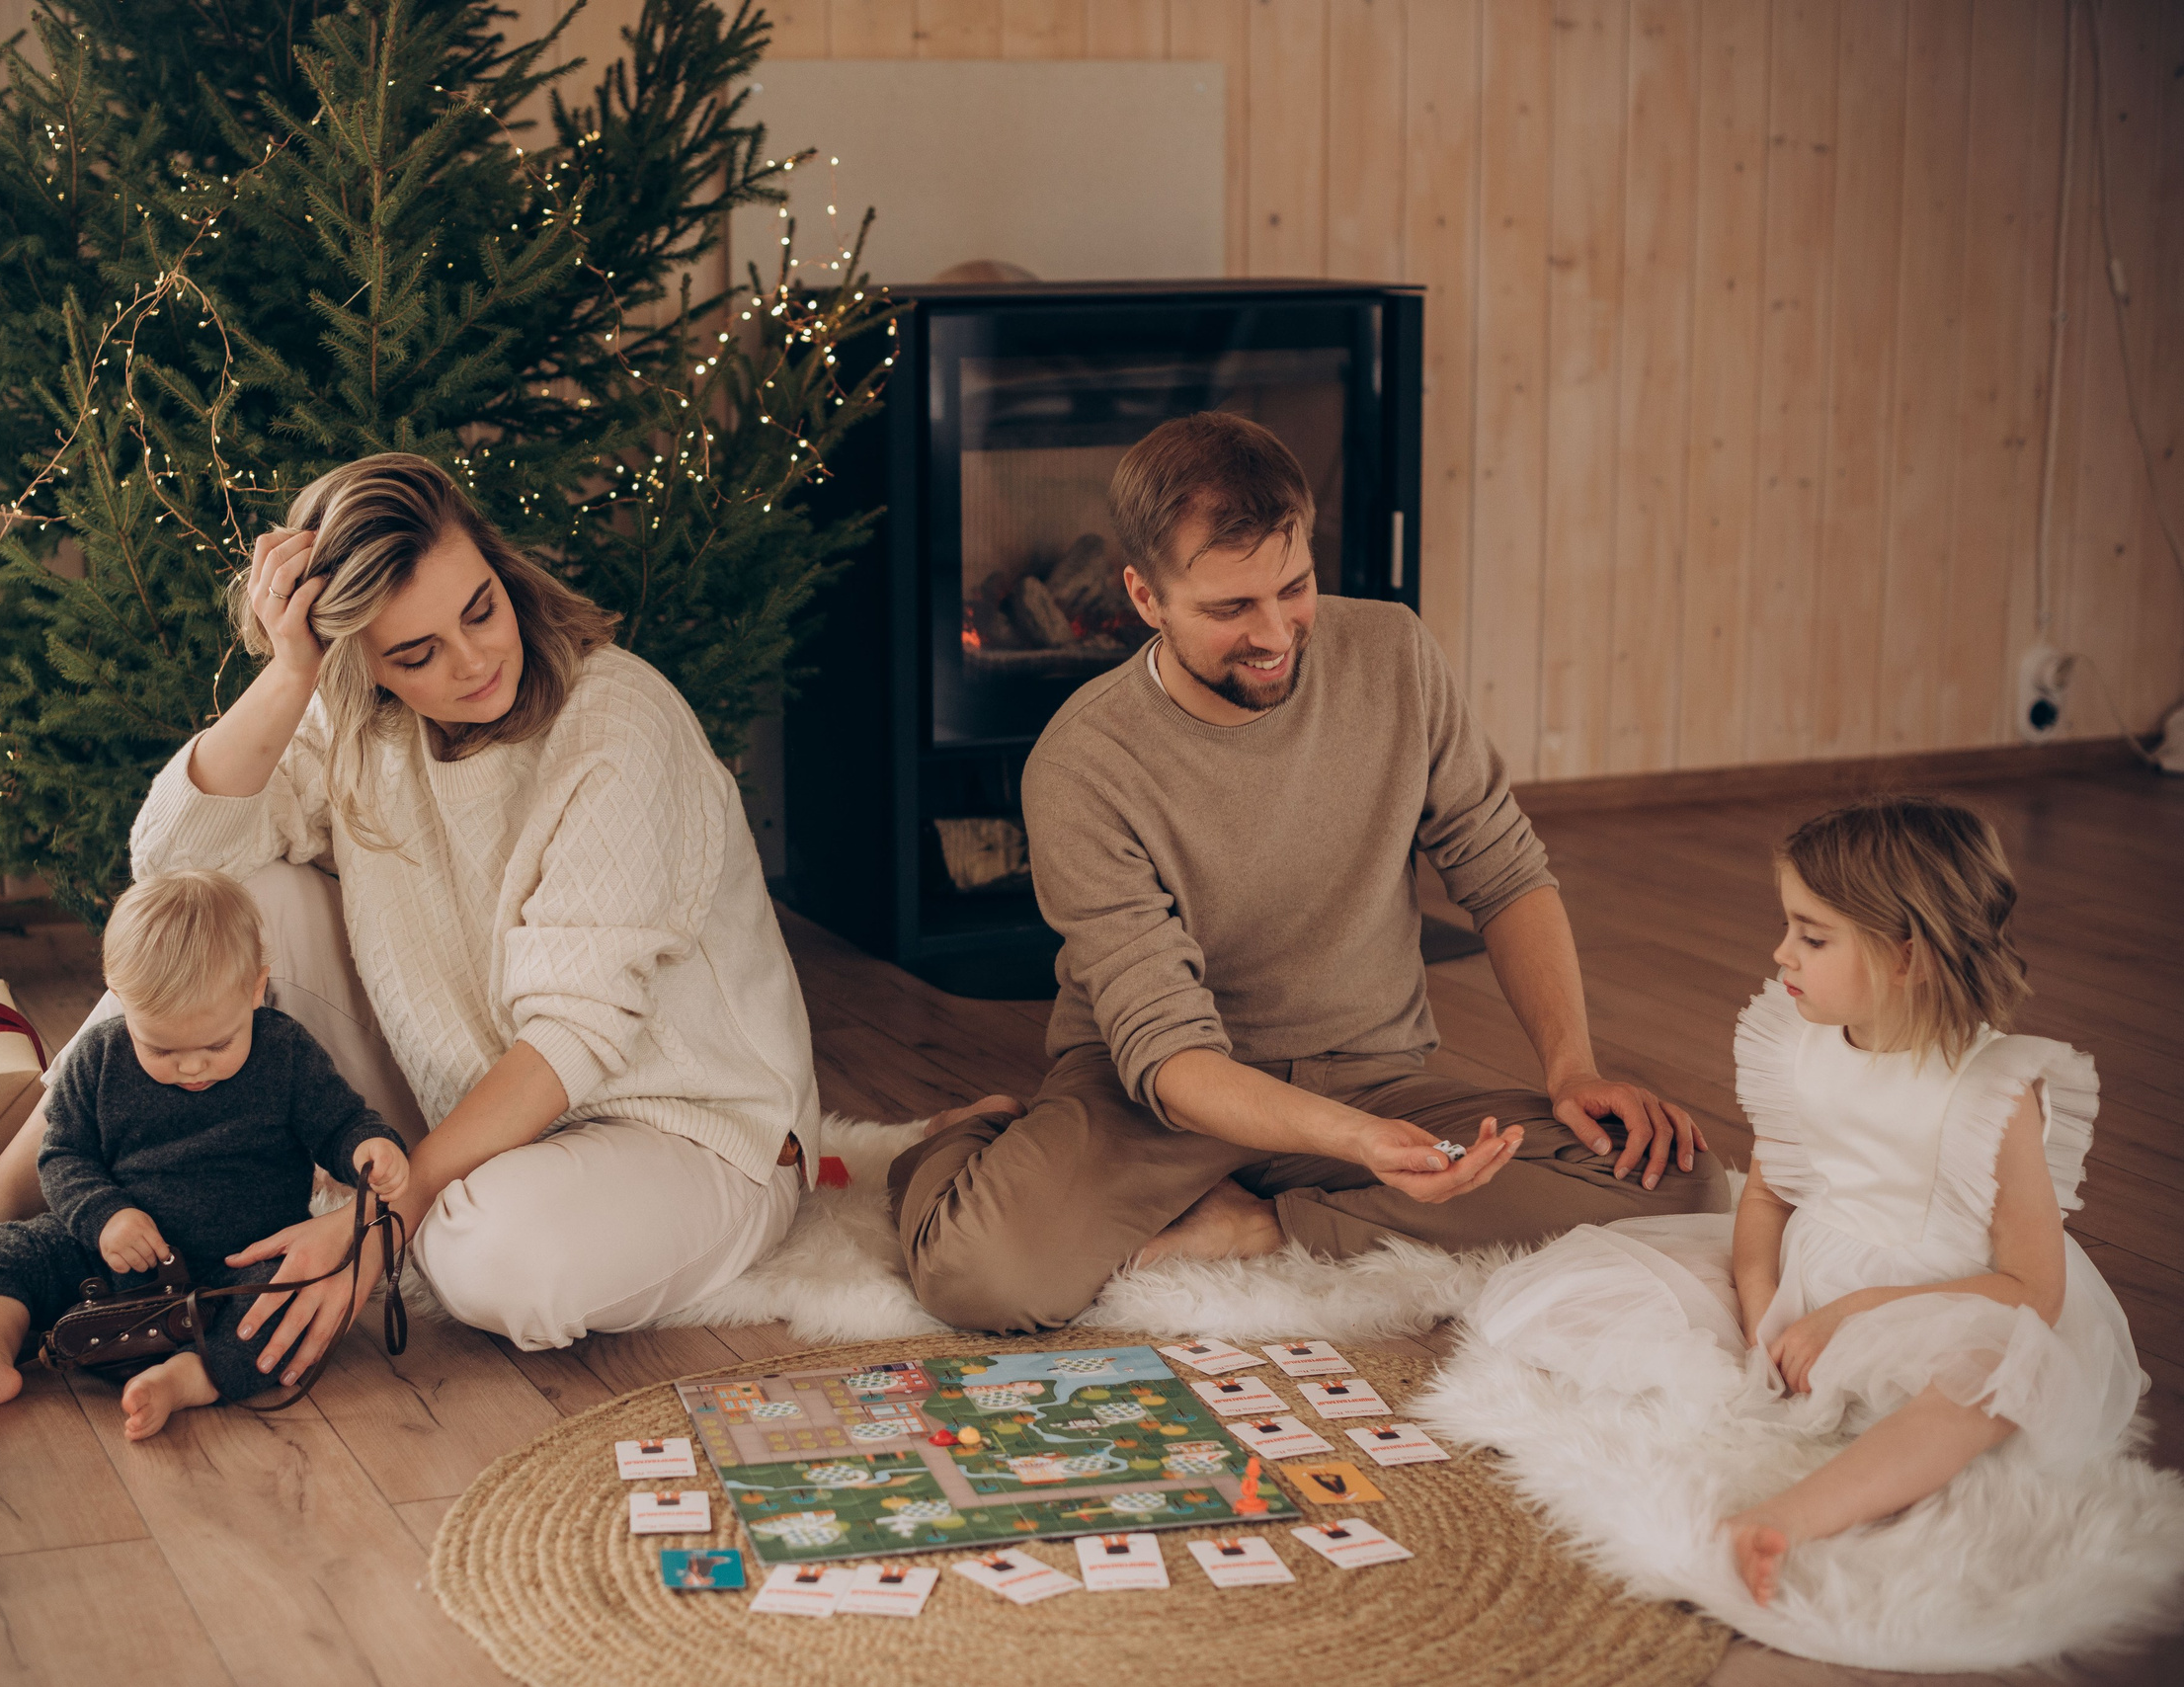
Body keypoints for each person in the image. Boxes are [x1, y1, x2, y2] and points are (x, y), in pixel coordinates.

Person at [0, 451, 821, 1385]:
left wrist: (377, 1220)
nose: (475, 659)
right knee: (222, 931)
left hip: (686, 1129)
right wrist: (290, 672)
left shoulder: (619, 725)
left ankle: (432, 1209)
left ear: (497, 566)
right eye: (415, 651)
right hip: (476, 1091)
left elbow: (572, 1036)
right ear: (367, 656)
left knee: (498, 1260)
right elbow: (175, 872)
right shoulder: (362, 713)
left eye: (479, 608)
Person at [894, 412, 1729, 1333]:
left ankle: (1261, 1226)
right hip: (1166, 1100)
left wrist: (1572, 1070)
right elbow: (1170, 1056)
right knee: (982, 1274)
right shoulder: (1082, 763)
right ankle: (970, 1138)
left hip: (1371, 1078)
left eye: (1293, 588)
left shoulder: (1395, 654)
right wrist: (1361, 1147)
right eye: (1228, 609)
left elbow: (1504, 870)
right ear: (1143, 597)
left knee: (1677, 1177)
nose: (1275, 634)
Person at [1462, 795, 2145, 1605]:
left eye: (1812, 936)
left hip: (1940, 1299)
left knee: (1995, 1380)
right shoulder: (1799, 1041)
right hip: (1805, 1276)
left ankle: (1785, 1517)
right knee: (1583, 1296)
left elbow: (2034, 1288)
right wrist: (1762, 1306)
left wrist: (1848, 1316)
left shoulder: (1994, 1093)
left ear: (1906, 957)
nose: (1782, 952)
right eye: (1790, 926)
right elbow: (1769, 1196)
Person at [0, 872, 410, 1439]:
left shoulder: (285, 1052)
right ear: (121, 1000)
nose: (191, 1067)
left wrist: (369, 1147)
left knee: (294, 1305)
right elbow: (62, 1156)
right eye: (160, 1047)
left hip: (240, 1269)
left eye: (217, 1045)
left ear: (256, 990)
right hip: (114, 1258)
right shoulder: (98, 1059)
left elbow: (339, 1122)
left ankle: (188, 1379)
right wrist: (105, 1216)